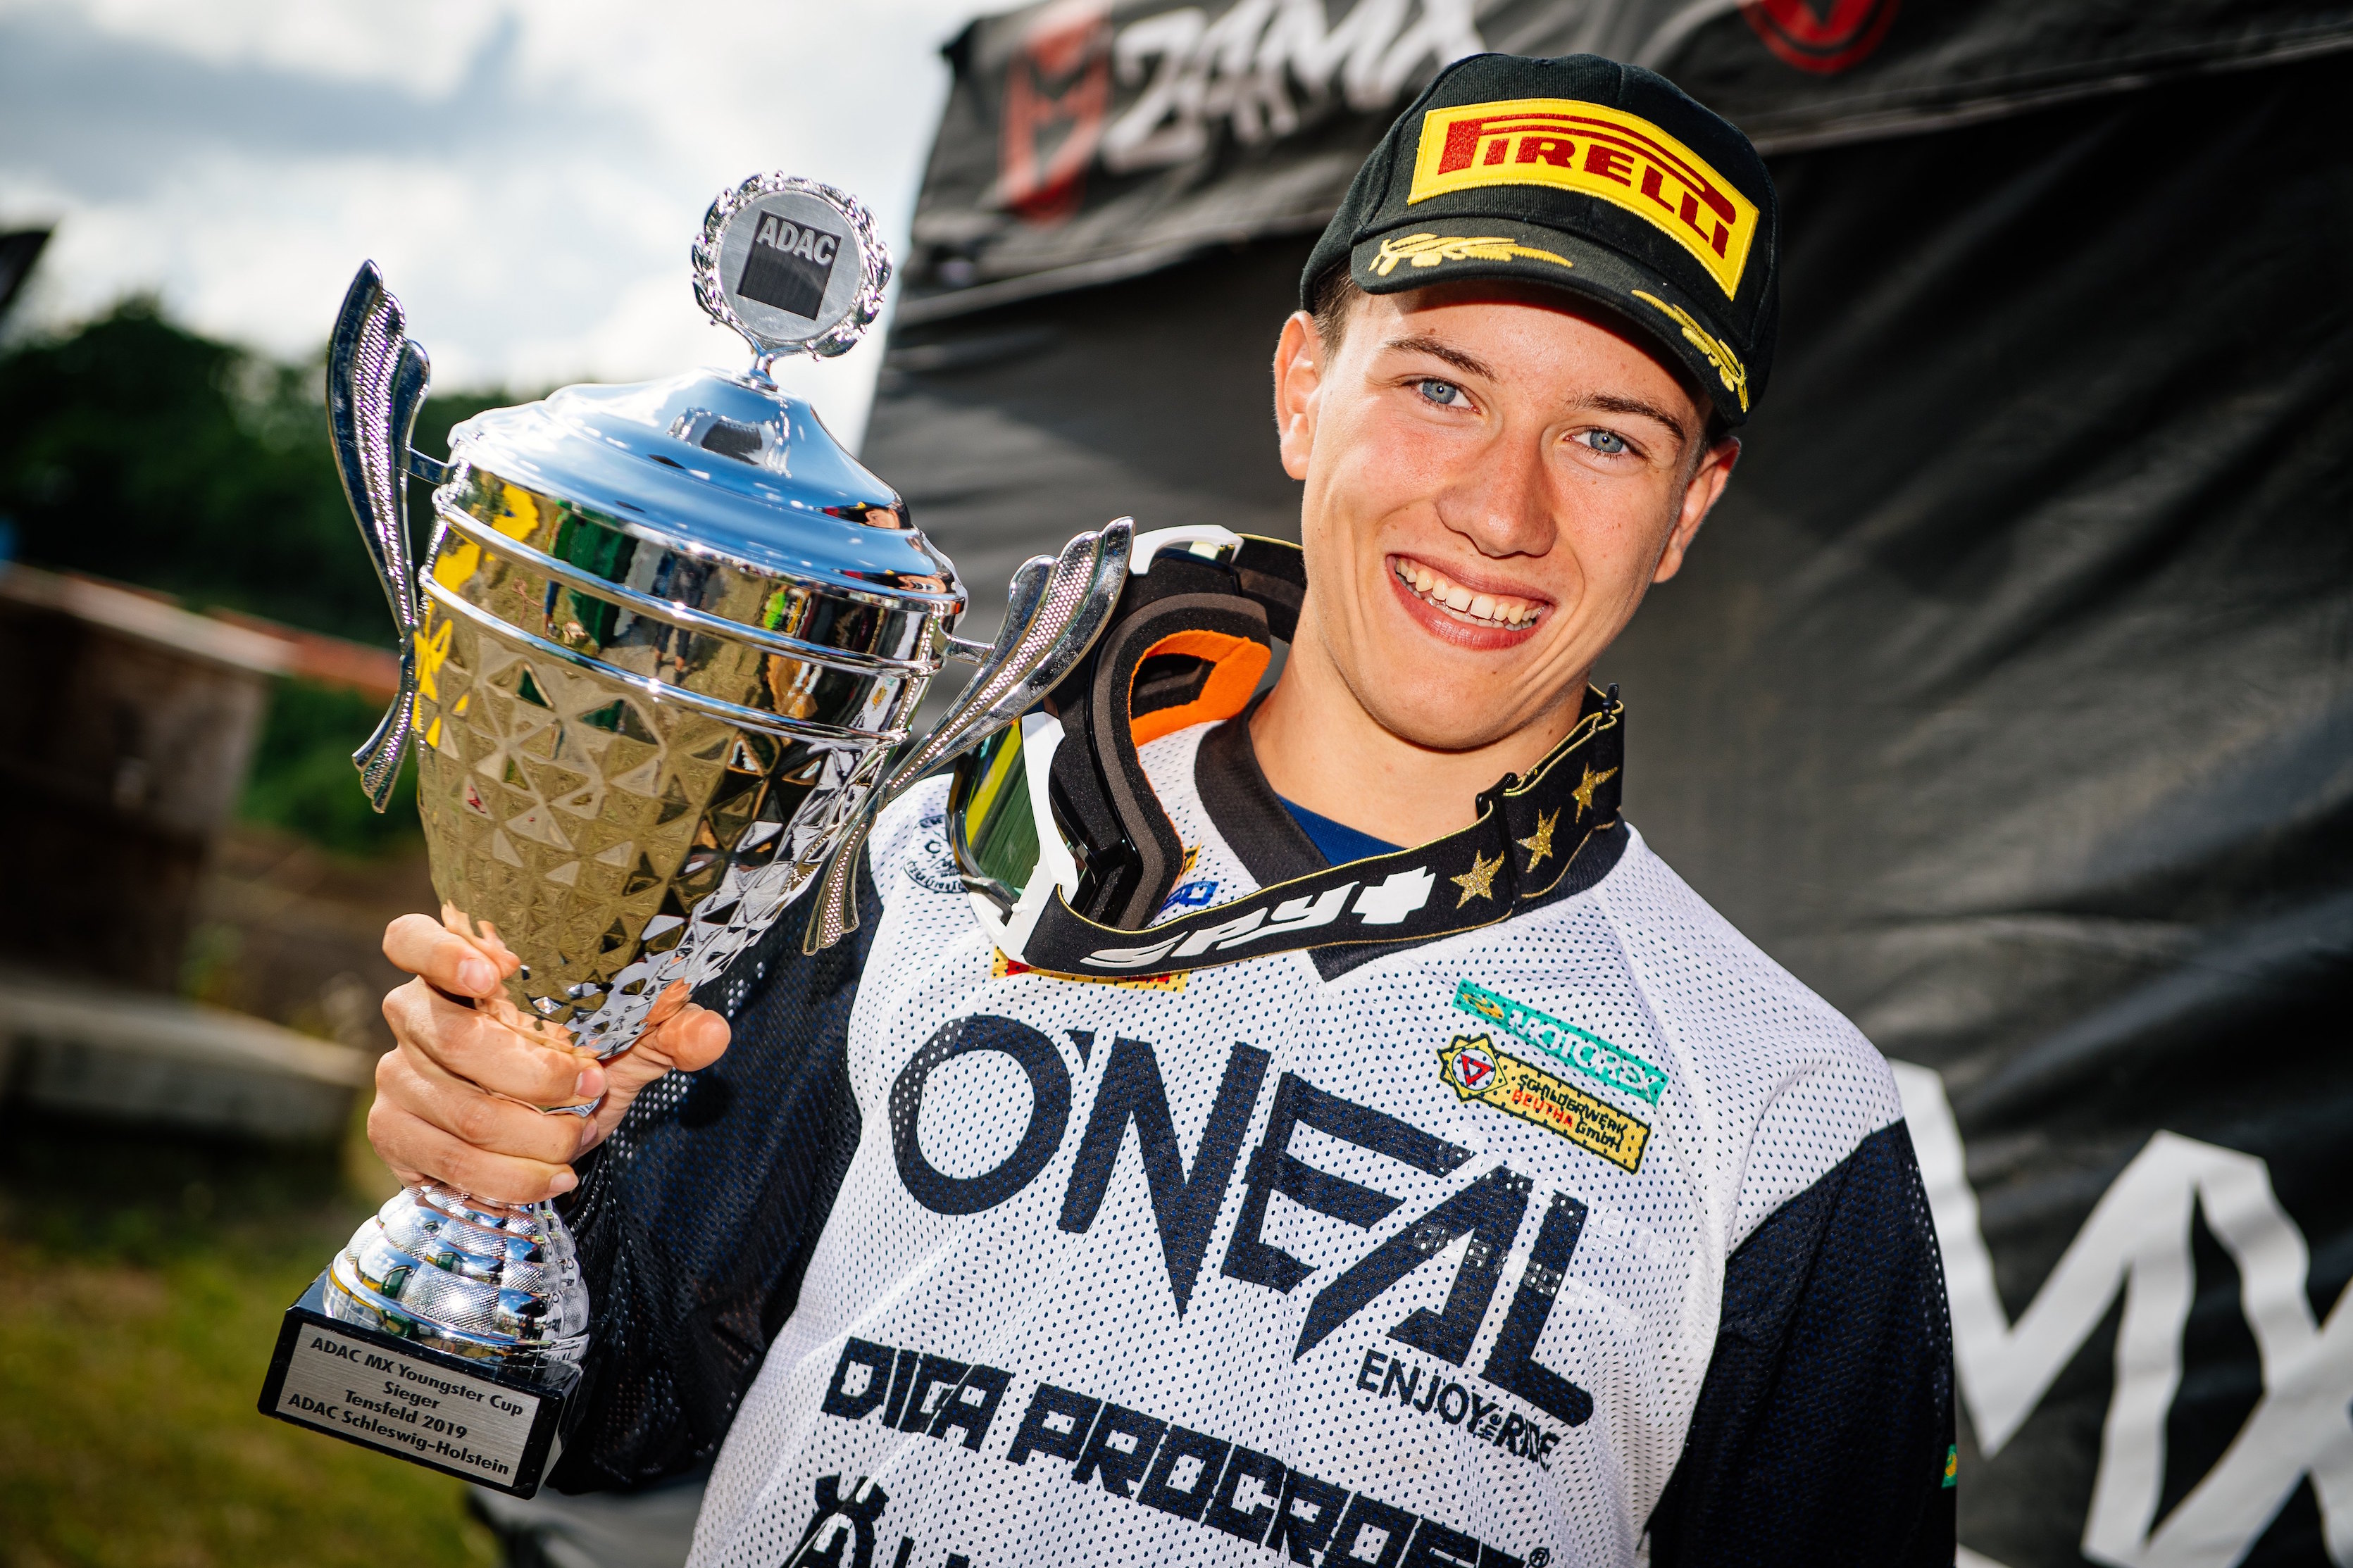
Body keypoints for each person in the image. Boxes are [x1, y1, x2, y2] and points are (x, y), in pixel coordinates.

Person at [367, 51, 1954, 1568]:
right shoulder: (928, 855)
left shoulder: (1785, 1115)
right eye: (1440, 387)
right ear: (1302, 389)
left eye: (1605, 437)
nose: (1500, 509)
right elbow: (607, 1400)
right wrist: (517, 1172)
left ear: (1688, 508)